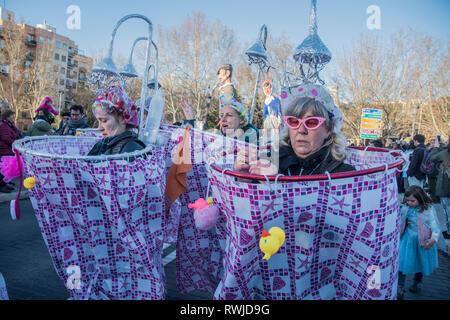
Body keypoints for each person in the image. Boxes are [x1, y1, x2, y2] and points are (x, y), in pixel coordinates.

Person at [234, 84, 355, 176]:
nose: (301, 130)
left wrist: (276, 183)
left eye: (311, 122)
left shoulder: (344, 175)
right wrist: (244, 177)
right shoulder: (268, 161)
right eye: (293, 121)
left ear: (329, 129)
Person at [397, 185, 440, 299]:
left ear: (420, 199)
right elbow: (400, 222)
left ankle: (417, 281)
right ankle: (400, 285)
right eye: (408, 200)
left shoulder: (428, 210)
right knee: (402, 261)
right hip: (408, 240)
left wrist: (433, 239)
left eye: (412, 200)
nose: (410, 203)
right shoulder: (406, 209)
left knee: (421, 262)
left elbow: (435, 225)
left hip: (423, 241)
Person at [87, 86, 145, 156]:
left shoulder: (132, 151)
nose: (99, 128)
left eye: (104, 120)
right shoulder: (102, 144)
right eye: (98, 121)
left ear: (123, 118)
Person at [430, 138, 450, 238]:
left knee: (447, 210)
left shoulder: (445, 153)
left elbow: (433, 158)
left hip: (446, 186)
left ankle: (449, 231)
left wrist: (436, 148)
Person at [0, 109, 18, 193]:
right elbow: (6, 138)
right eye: (12, 115)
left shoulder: (8, 125)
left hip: (6, 150)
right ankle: (1, 186)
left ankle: (4, 184)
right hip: (4, 150)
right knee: (2, 170)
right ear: (7, 117)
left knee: (5, 170)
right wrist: (15, 144)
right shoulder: (4, 125)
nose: (13, 117)